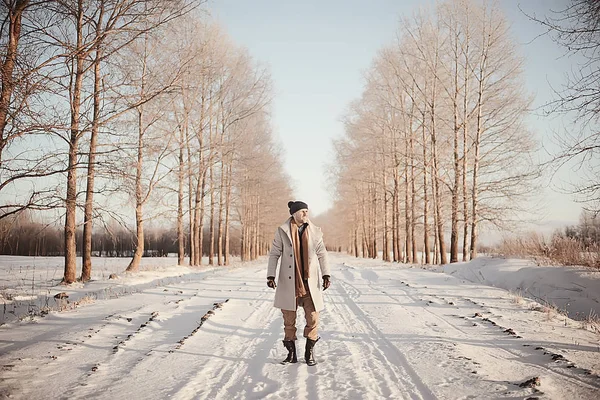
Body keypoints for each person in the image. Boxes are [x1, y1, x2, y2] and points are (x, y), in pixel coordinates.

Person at [267, 200, 331, 366]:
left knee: (313, 318)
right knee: (289, 320)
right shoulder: (282, 231)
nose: (306, 214)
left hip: (309, 283)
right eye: (303, 211)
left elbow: (322, 253)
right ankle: (291, 355)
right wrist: (271, 276)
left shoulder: (315, 231)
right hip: (290, 283)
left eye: (307, 211)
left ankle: (309, 353)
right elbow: (274, 254)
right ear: (294, 214)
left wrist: (326, 274)